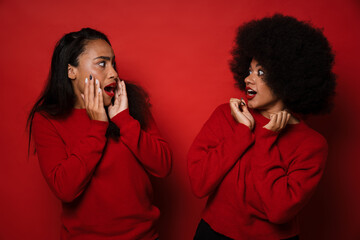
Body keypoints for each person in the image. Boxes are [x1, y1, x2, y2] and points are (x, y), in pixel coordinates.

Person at [188, 14, 336, 240]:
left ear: (287, 78)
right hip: (212, 234)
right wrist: (241, 132)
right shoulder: (227, 115)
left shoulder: (312, 145)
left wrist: (266, 141)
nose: (248, 79)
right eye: (249, 70)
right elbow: (199, 183)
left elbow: (279, 210)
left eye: (260, 72)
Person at [27, 28, 172, 240]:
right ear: (71, 71)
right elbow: (65, 189)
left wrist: (123, 120)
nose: (113, 73)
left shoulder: (128, 105)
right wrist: (97, 126)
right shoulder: (48, 120)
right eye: (102, 64)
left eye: (114, 64)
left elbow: (163, 166)